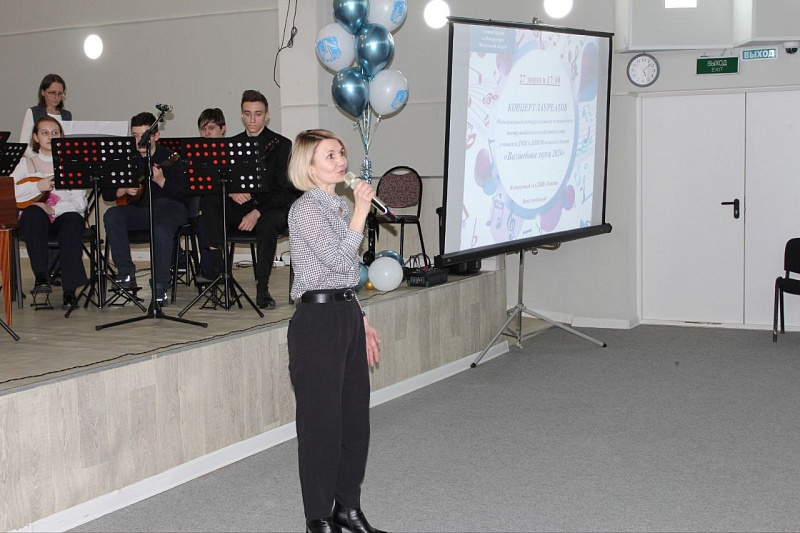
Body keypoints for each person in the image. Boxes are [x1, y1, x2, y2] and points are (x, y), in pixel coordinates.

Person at [286, 129, 384, 533]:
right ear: (309, 167)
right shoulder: (304, 210)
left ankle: (348, 507)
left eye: (341, 153)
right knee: (321, 426)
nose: (341, 161)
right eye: (330, 156)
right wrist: (361, 211)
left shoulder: (339, 207)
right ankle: (318, 517)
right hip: (317, 323)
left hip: (345, 314)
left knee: (354, 421)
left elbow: (347, 276)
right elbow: (338, 259)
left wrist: (361, 319)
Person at [198, 90, 297, 309]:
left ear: (267, 115)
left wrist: (257, 212)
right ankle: (218, 272)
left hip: (270, 208)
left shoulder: (282, 145)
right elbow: (218, 179)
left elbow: (285, 191)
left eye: (258, 114)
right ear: (241, 115)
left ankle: (263, 289)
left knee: (268, 223)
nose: (252, 120)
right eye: (247, 114)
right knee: (210, 200)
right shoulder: (232, 144)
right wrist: (230, 192)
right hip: (241, 207)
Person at [102, 112, 187, 304]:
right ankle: (126, 273)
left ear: (156, 136)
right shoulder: (127, 158)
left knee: (161, 226)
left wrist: (162, 181)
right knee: (113, 215)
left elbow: (184, 195)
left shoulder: (171, 157)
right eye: (135, 136)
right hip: (142, 210)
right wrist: (124, 189)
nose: (140, 141)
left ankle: (159, 286)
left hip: (170, 208)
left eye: (145, 135)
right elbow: (107, 194)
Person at [11, 116, 88, 309]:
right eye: (45, 133)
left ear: (61, 136)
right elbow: (9, 192)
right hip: (36, 222)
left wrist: (53, 209)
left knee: (72, 220)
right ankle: (41, 276)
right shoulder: (26, 164)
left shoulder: (71, 164)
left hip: (64, 216)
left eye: (55, 133)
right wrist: (38, 186)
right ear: (36, 137)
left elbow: (80, 203)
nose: (50, 137)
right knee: (33, 213)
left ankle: (70, 291)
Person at [193, 108, 227, 280]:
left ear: (223, 129)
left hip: (228, 205)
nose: (206, 133)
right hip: (208, 206)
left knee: (207, 213)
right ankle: (212, 268)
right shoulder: (195, 155)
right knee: (202, 219)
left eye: (211, 128)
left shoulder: (231, 151)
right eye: (203, 128)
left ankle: (213, 268)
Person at [20, 74, 72, 157]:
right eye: (52, 93)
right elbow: (24, 144)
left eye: (60, 94)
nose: (56, 97)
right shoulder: (33, 112)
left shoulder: (66, 115)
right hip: (37, 158)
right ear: (43, 92)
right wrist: (39, 159)